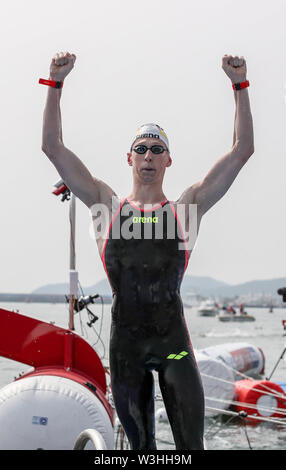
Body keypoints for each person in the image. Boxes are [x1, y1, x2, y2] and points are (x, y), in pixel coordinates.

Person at [41, 51, 254, 450]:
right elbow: (52, 147)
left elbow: (242, 150)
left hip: (174, 351)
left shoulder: (186, 208)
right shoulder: (106, 203)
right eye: (142, 149)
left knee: (191, 450)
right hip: (128, 354)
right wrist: (55, 84)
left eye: (157, 149)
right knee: (141, 453)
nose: (149, 156)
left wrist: (239, 86)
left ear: (169, 159)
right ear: (129, 158)